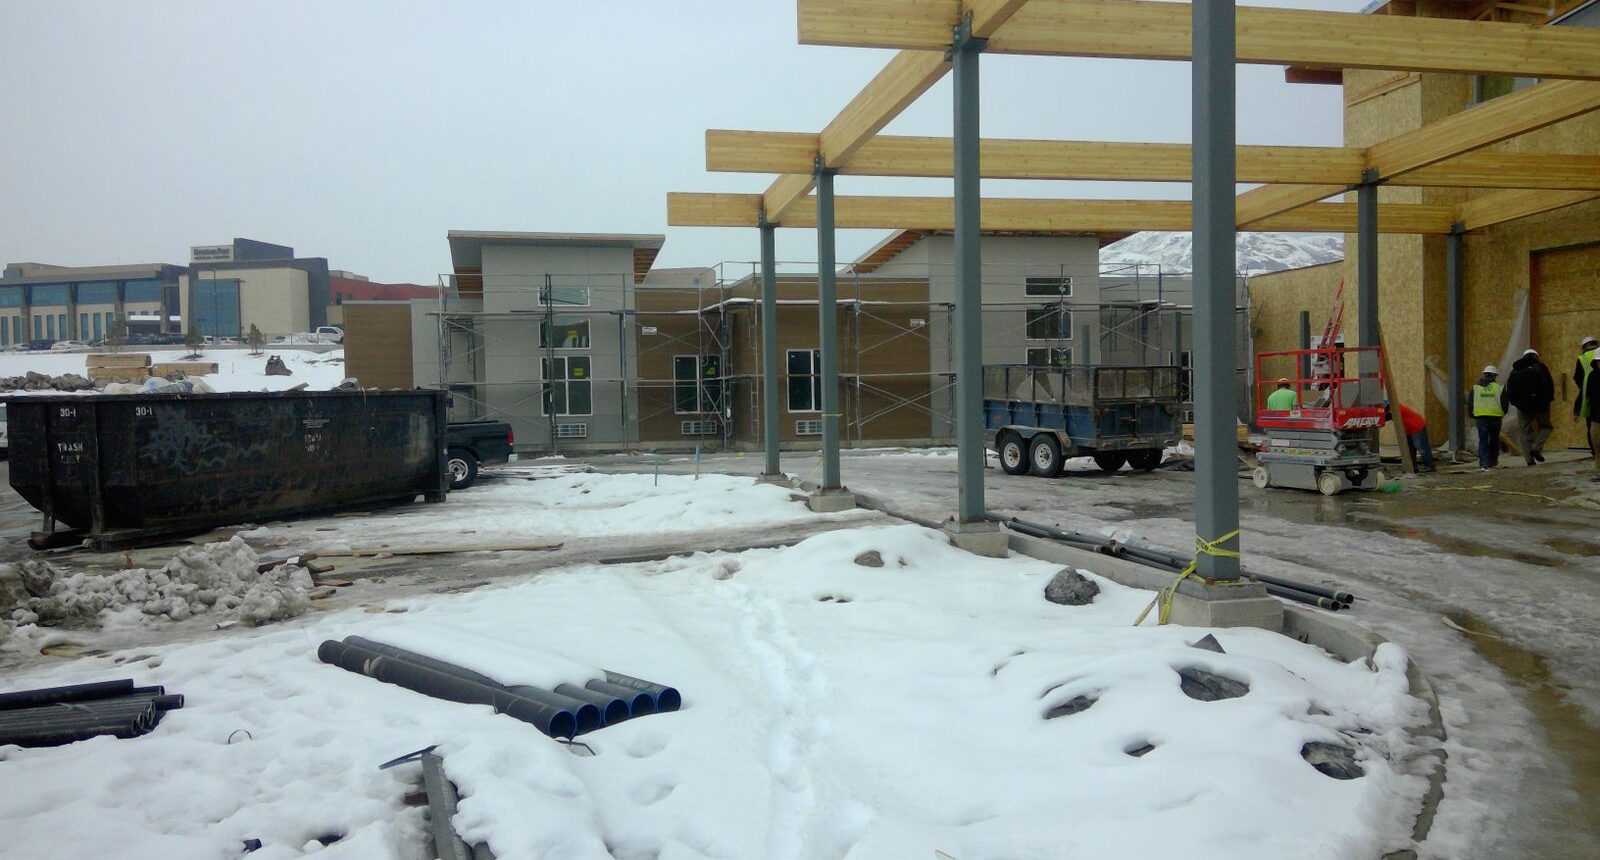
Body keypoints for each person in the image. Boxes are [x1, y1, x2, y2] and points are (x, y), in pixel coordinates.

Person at [1504, 347, 1555, 465]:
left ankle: (1529, 459)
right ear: (1536, 357)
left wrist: (1514, 402)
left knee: (1525, 431)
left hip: (1522, 407)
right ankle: (1536, 447)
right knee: (1546, 427)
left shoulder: (1515, 370)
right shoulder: (1541, 368)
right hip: (1541, 406)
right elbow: (1548, 384)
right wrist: (1548, 400)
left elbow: (1510, 389)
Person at [1471, 364, 1509, 471]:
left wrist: (1473, 414)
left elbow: (1471, 402)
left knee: (1483, 440)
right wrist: (1503, 413)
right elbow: (1505, 403)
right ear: (1494, 376)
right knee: (1494, 440)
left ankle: (1483, 463)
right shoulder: (1499, 388)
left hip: (1481, 417)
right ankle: (1492, 461)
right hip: (1495, 417)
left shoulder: (1476, 388)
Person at [1395, 402, 1435, 473]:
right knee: (1409, 450)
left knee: (1421, 447)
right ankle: (1412, 468)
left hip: (1417, 427)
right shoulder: (1393, 409)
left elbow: (1385, 417)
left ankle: (1429, 466)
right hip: (1408, 429)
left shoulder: (1396, 409)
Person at [1576, 336, 1599, 431]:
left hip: (1590, 397)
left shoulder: (1583, 358)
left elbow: (1578, 377)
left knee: (1592, 426)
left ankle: (1594, 445)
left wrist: (1583, 389)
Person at [1587, 354, 1600, 477]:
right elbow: (1590, 396)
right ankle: (1598, 471)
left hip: (1596, 414)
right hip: (1597, 415)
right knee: (1597, 443)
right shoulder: (1593, 376)